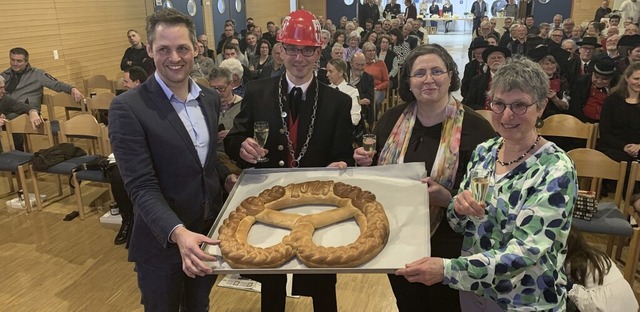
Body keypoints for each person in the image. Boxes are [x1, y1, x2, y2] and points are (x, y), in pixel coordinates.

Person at [395, 56, 578, 310]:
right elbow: (459, 224)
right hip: (475, 292)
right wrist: (458, 207)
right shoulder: (485, 152)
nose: (507, 115)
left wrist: (447, 270)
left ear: (541, 106)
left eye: (519, 105)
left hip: (524, 300)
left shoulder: (555, 168)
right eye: (499, 104)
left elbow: (526, 252)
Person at [224, 9, 354, 312]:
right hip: (268, 202)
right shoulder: (258, 91)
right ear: (281, 50)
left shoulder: (338, 102)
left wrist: (343, 165)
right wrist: (240, 146)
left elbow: (344, 156)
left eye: (307, 50)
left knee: (322, 278)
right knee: (270, 278)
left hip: (319, 204)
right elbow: (233, 138)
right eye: (292, 49)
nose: (299, 58)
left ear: (318, 52)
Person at [108, 8, 236, 311]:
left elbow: (203, 158)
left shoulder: (209, 98)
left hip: (205, 232)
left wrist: (227, 177)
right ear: (150, 49)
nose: (174, 57)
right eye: (164, 49)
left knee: (198, 305)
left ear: (195, 49)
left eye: (182, 48)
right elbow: (140, 186)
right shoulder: (128, 108)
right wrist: (178, 233)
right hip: (162, 240)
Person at [354, 43, 496, 311]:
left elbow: (490, 198)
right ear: (408, 81)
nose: (428, 79)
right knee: (408, 304)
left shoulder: (478, 130)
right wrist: (363, 161)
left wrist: (448, 199)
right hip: (397, 236)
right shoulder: (391, 120)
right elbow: (378, 178)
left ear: (451, 76)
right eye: (419, 73)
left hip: (451, 245)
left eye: (436, 71)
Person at [108, 65, 148, 246]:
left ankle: (143, 223)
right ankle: (127, 220)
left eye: (126, 82)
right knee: (116, 174)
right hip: (131, 153)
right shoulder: (122, 104)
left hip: (150, 155)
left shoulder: (151, 101)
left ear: (137, 82)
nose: (124, 85)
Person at [565, 229, 639, 312]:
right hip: (627, 303)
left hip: (602, 306)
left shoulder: (573, 264)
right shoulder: (596, 255)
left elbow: (584, 301)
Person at [1, 47, 83, 110]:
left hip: (27, 111)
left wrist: (72, 88)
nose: (15, 63)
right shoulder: (4, 75)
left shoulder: (37, 74)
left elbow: (56, 84)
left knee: (12, 118)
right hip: (6, 109)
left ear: (26, 62)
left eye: (19, 61)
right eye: (12, 60)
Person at [597, 61, 640, 166]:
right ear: (626, 78)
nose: (639, 82)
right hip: (614, 148)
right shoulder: (612, 100)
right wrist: (624, 147)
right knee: (618, 160)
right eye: (636, 79)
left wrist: (639, 146)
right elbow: (605, 132)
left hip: (638, 149)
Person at [569, 56, 619, 123]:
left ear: (611, 78)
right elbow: (574, 108)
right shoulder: (580, 82)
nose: (599, 81)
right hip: (582, 122)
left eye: (604, 79)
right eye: (596, 77)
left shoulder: (618, 87)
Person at [0, 76, 42, 152]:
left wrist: (33, 111)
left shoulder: (4, 97)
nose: (3, 91)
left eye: (3, 87)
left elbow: (22, 106)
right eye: (0, 88)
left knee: (13, 118)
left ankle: (18, 152)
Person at [327, 58, 361, 126]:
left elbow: (355, 118)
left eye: (330, 71)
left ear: (340, 73)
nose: (327, 74)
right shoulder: (327, 90)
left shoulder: (352, 91)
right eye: (327, 71)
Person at [363, 41, 389, 126]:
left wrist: (376, 88)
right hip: (365, 89)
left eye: (373, 50)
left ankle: (373, 122)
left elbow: (386, 81)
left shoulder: (381, 63)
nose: (372, 52)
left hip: (378, 89)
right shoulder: (362, 64)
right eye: (369, 51)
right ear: (364, 52)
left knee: (373, 100)